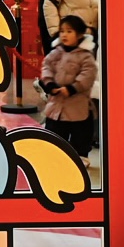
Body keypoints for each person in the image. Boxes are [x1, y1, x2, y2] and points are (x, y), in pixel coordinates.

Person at [40, 13, 98, 159]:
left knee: (80, 134)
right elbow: (47, 67)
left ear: (79, 35)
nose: (64, 35)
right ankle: (56, 157)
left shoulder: (86, 56)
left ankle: (81, 157)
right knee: (55, 133)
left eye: (69, 31)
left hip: (77, 104)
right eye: (62, 31)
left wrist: (73, 88)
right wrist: (49, 84)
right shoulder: (56, 52)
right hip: (56, 104)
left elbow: (87, 75)